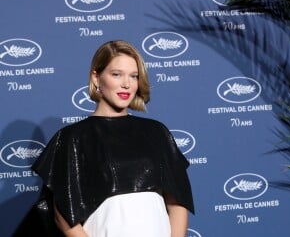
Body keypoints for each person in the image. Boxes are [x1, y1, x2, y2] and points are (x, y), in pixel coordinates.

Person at [32, 40, 194, 237]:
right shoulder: (72, 138)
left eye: (133, 76)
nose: (126, 83)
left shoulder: (156, 132)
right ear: (96, 78)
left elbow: (177, 204)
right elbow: (64, 218)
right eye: (116, 74)